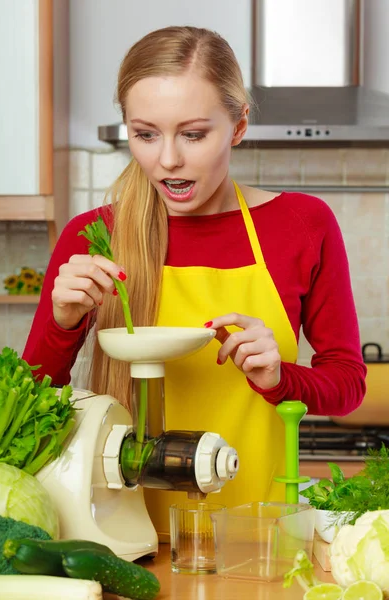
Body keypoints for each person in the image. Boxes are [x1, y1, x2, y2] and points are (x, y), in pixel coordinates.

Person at [23, 25, 366, 537]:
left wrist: (280, 378)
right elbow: (26, 407)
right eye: (145, 134)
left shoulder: (302, 224)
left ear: (238, 126)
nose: (168, 160)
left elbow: (348, 386)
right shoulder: (94, 235)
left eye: (193, 133)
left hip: (258, 537)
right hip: (124, 542)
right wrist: (63, 321)